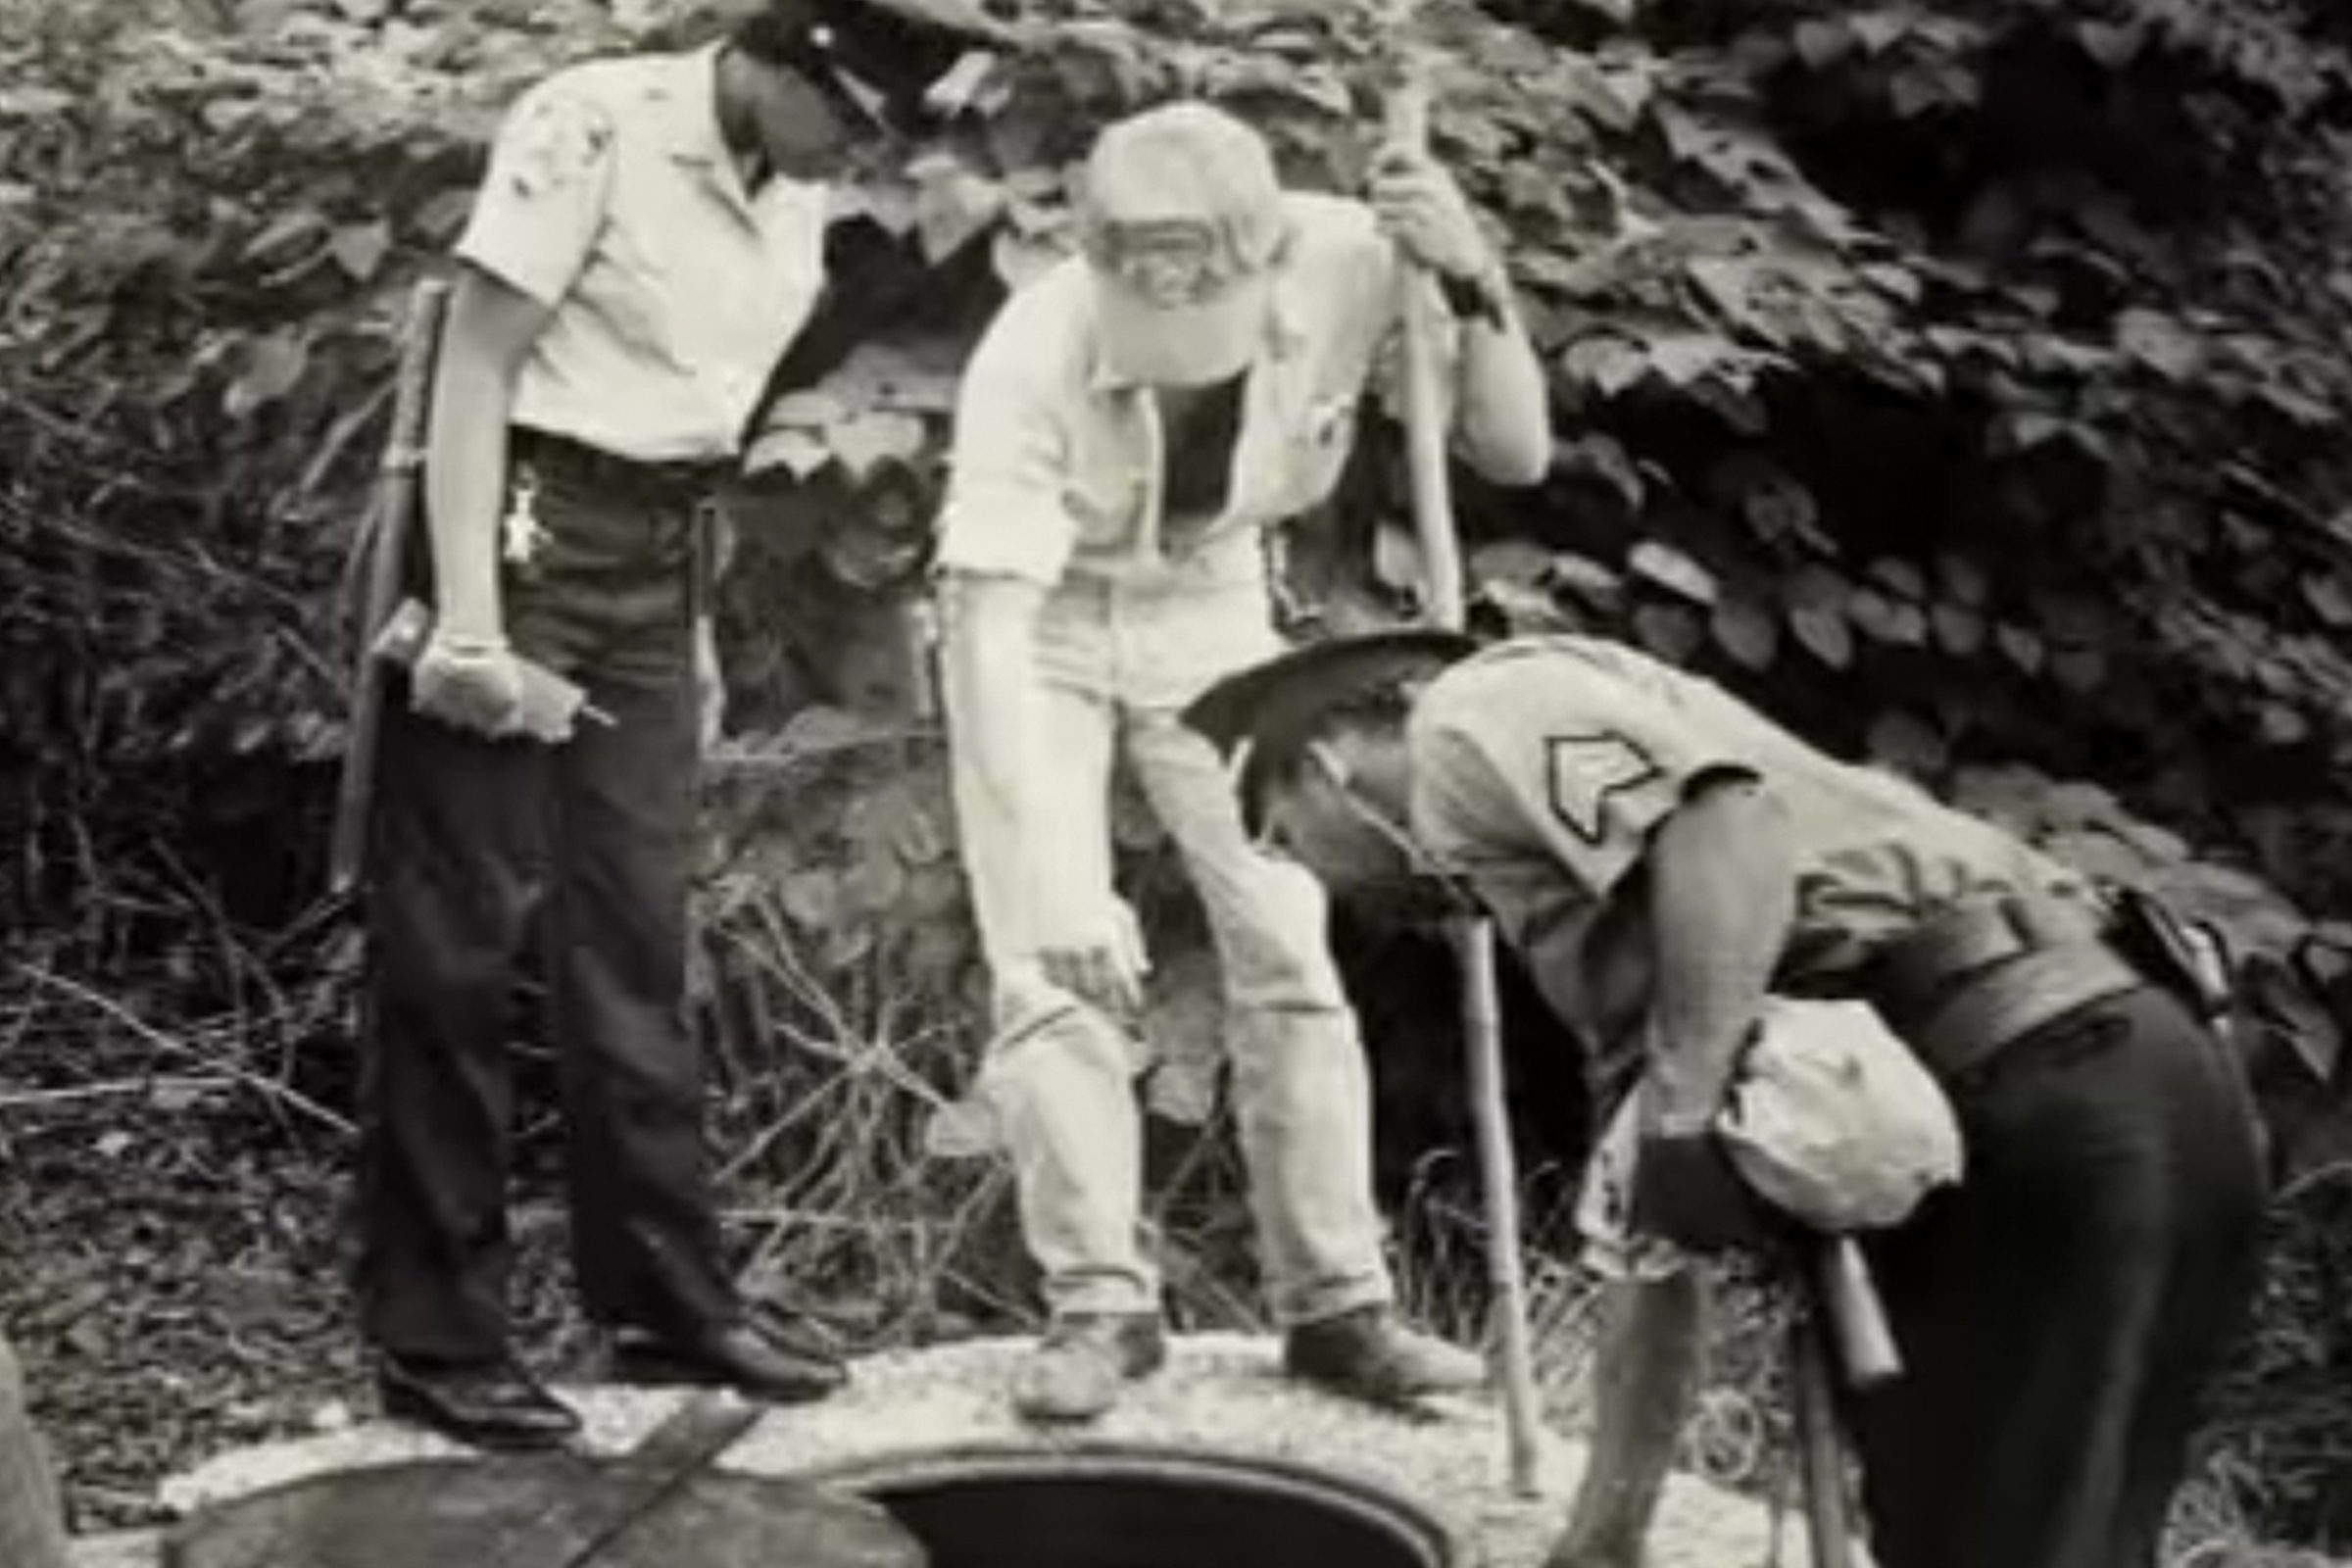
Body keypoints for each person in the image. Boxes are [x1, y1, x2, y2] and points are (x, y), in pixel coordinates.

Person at [1181, 630, 2269, 1568]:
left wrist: (1688, 1111)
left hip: (2039, 1086)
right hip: (2132, 1079)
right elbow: (1649, 1245)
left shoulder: (1470, 718)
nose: (1318, 883)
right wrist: (1603, 1539)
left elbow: (1725, 829)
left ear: (1323, 763)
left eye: (1281, 838)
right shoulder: (1623, 934)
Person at [358, 0, 997, 1448]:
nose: (860, 153)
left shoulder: (798, 178)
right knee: (458, 943)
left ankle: (662, 1303)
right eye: (847, 115)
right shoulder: (597, 122)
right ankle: (437, 1341)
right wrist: (465, 622)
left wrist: (686, 622)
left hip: (654, 551)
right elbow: (476, 371)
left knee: (636, 939)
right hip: (518, 526)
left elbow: (694, 424)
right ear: (781, 58)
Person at [933, 101, 1552, 1422]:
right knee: (1047, 957)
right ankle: (1101, 1306)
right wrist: (1053, 878)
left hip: (1210, 603)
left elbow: (1513, 451)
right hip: (1037, 633)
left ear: (1267, 265)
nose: (1171, 357)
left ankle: (1336, 1309)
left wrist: (1474, 277)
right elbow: (987, 641)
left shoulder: (1351, 254)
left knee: (1287, 940)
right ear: (1098, 265)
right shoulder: (1029, 353)